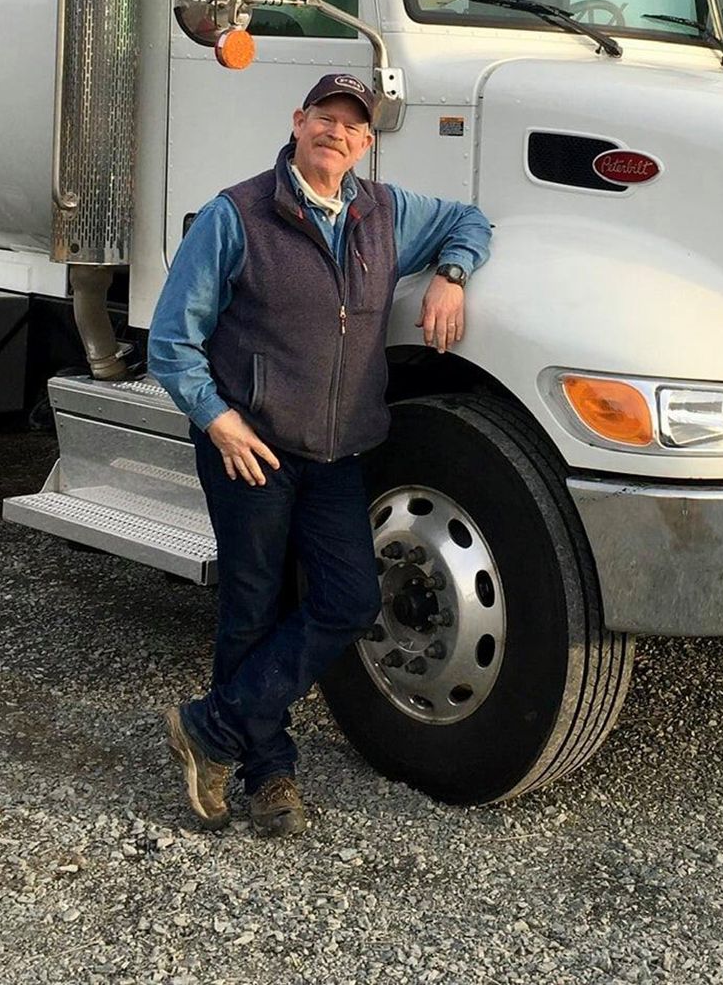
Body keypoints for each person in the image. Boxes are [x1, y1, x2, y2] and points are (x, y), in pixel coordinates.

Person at [146, 71, 491, 838]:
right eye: (325, 118)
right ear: (297, 122)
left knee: (348, 600)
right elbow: (171, 339)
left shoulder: (386, 212)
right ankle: (270, 773)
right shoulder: (239, 214)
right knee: (252, 608)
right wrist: (219, 421)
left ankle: (210, 727)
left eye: (352, 125)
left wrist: (451, 274)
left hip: (338, 454)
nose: (337, 132)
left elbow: (472, 217)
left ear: (367, 143)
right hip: (253, 451)